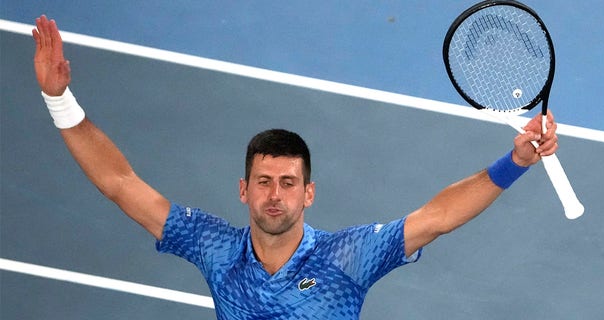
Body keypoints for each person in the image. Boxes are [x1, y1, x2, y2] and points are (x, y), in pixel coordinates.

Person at [32, 15, 559, 319]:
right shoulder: (214, 248)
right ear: (244, 190)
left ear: (309, 194)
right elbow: (120, 184)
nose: (275, 194)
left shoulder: (348, 257)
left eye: (288, 183)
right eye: (264, 182)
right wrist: (60, 101)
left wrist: (513, 162)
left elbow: (438, 216)